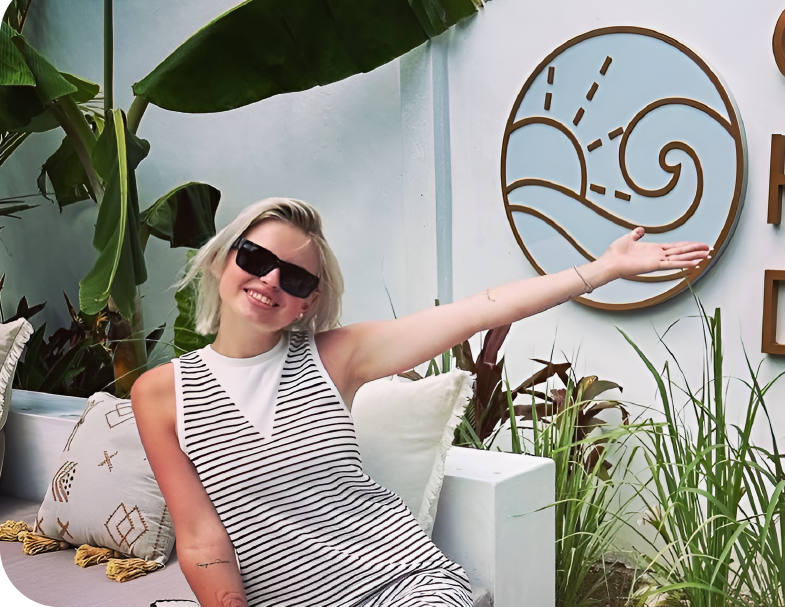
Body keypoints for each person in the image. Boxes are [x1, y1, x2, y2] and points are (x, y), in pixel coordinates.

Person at [130, 198, 711, 607]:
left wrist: (600, 270)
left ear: (307, 303)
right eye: (256, 260)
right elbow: (201, 536)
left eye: (297, 279)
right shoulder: (159, 394)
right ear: (220, 259)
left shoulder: (338, 355)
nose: (271, 282)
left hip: (403, 584)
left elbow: (480, 308)